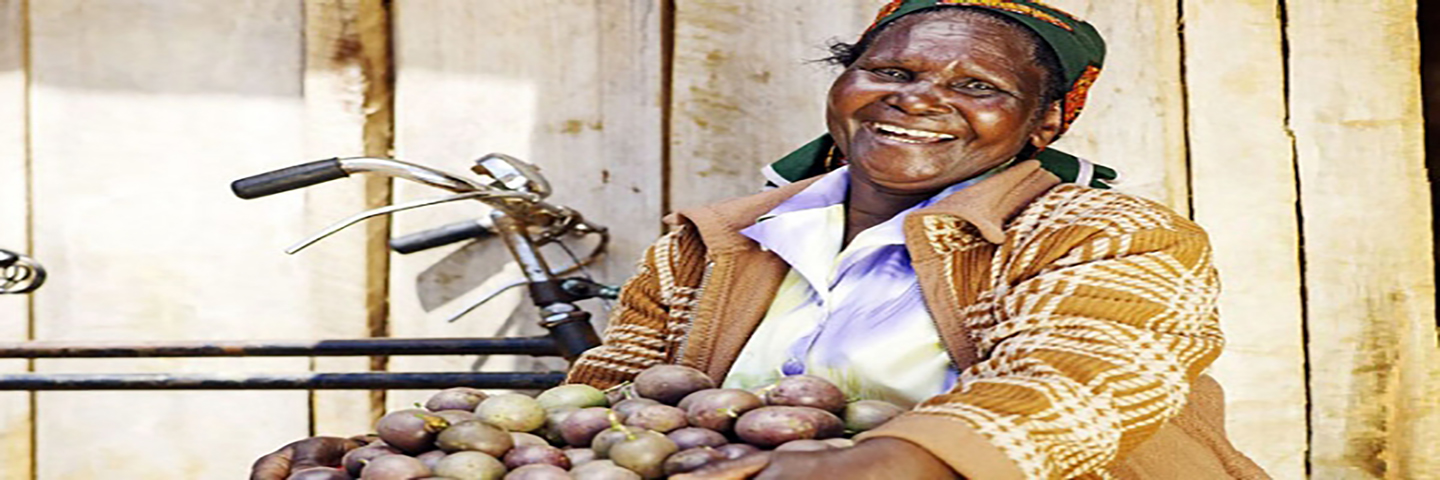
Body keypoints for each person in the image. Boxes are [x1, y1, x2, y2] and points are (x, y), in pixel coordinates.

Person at [253, 1, 1268, 478]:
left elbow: (1079, 391)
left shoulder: (1106, 235)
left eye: (977, 88)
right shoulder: (718, 241)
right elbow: (612, 394)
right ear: (845, 82)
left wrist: (878, 466)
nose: (919, 103)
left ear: (1045, 124)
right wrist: (435, 449)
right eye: (895, 71)